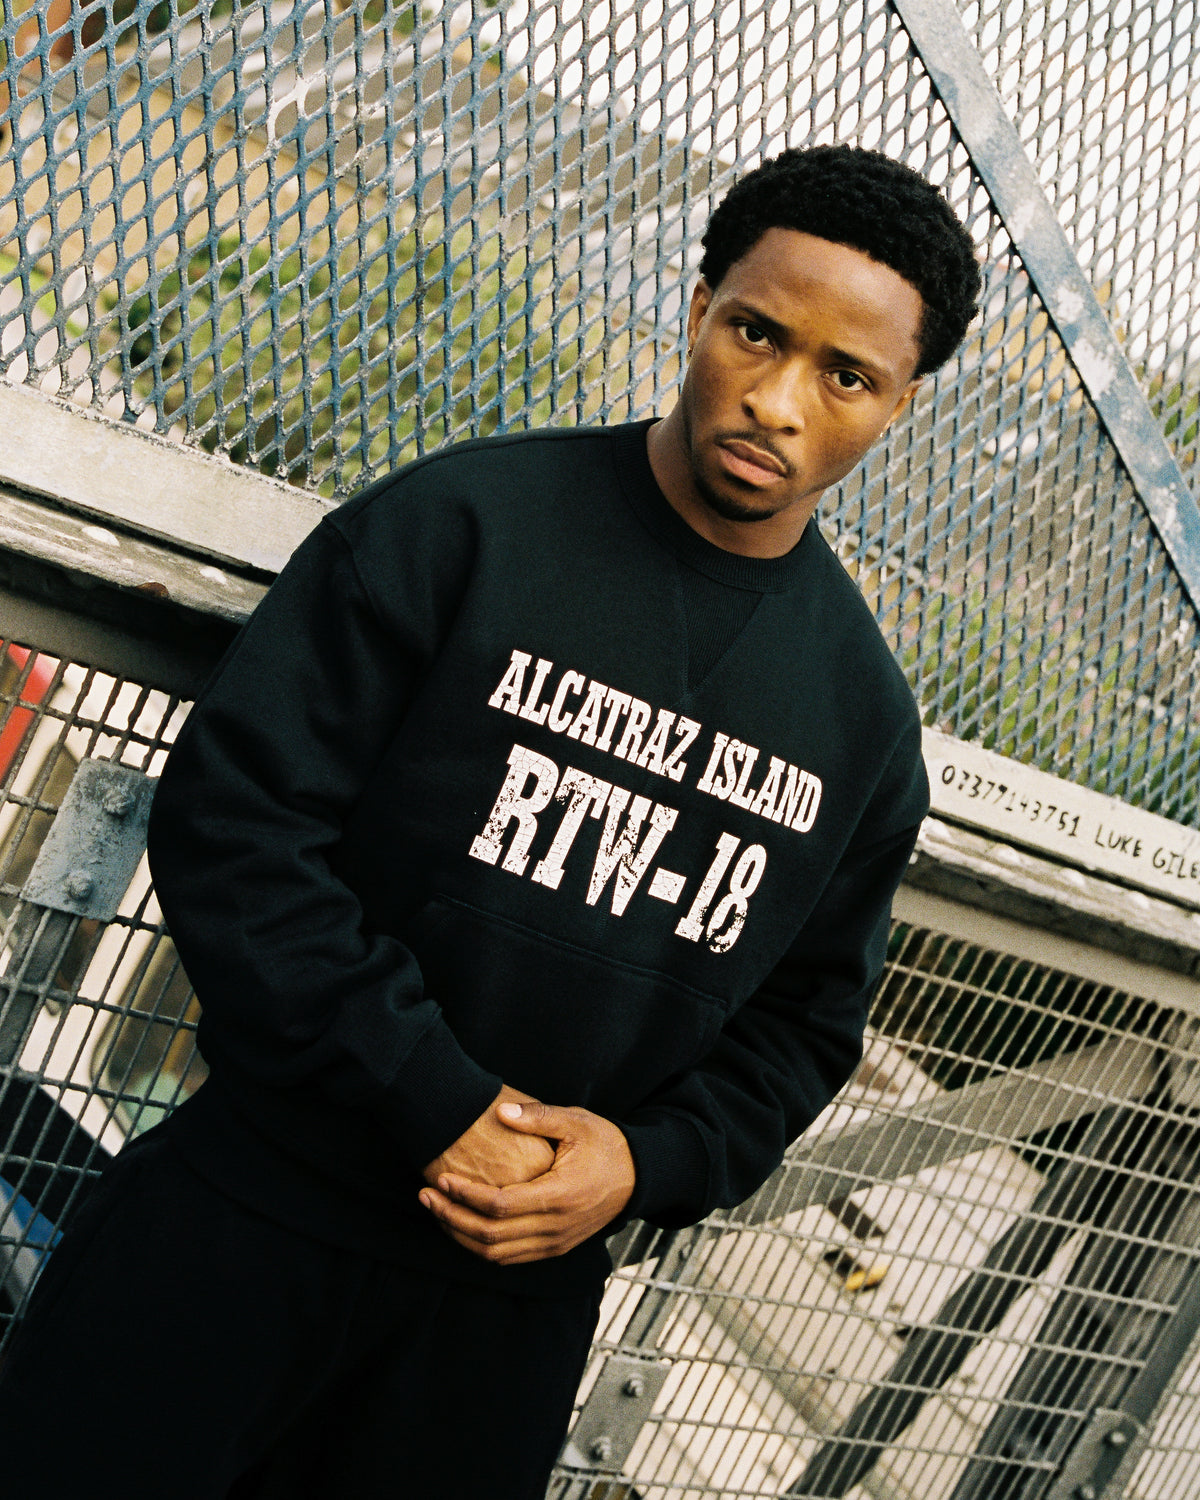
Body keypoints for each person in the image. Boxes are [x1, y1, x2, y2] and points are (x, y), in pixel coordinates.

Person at [0, 144, 981, 1497]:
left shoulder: (860, 722)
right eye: (757, 332)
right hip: (247, 1217)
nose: (776, 399)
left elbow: (804, 1027)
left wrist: (640, 1162)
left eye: (846, 375)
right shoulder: (464, 525)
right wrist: (429, 1093)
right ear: (701, 307)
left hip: (502, 1322)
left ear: (901, 405)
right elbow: (241, 822)